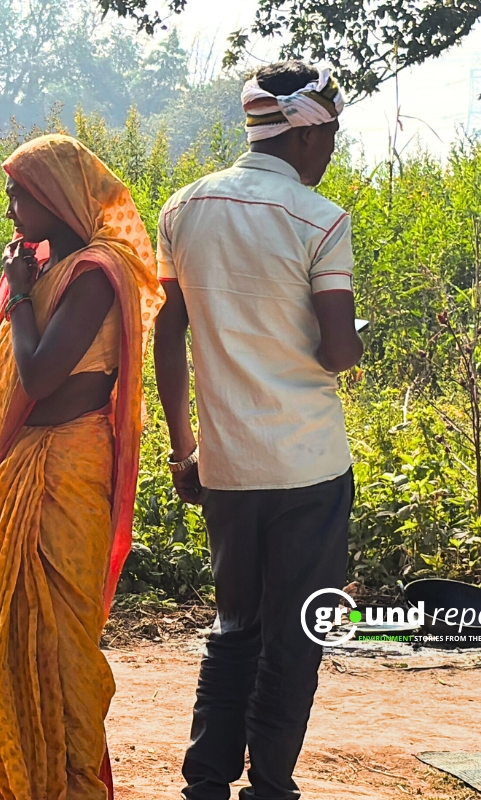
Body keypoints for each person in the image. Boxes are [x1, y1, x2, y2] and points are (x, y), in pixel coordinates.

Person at [0, 134, 165, 800]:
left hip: (68, 471)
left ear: (58, 197)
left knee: (58, 657)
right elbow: (16, 401)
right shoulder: (48, 266)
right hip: (27, 469)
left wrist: (21, 295)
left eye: (18, 195)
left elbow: (38, 372)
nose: (9, 210)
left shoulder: (94, 273)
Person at [153, 61, 364, 800]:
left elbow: (169, 331)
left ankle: (205, 782)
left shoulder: (183, 209)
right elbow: (337, 353)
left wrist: (184, 451)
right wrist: (352, 339)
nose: (333, 150)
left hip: (229, 469)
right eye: (331, 135)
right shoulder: (320, 219)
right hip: (308, 466)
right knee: (298, 635)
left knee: (233, 626)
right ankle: (271, 787)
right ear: (305, 134)